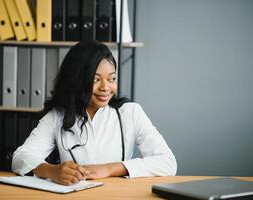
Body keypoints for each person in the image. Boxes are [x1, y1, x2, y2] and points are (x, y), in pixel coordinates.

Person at [12, 40, 177, 186]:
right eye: (96, 79)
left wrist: (110, 169)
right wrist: (52, 171)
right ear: (77, 80)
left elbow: (167, 162)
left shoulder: (130, 112)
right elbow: (20, 157)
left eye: (111, 79)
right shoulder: (57, 116)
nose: (105, 87)